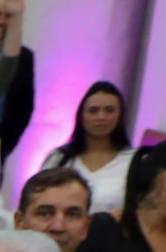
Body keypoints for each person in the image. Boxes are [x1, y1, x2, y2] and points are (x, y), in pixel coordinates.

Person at [49, 80, 134, 217]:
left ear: (121, 115)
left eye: (109, 110)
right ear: (81, 116)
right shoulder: (58, 158)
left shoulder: (134, 161)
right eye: (93, 110)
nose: (101, 117)